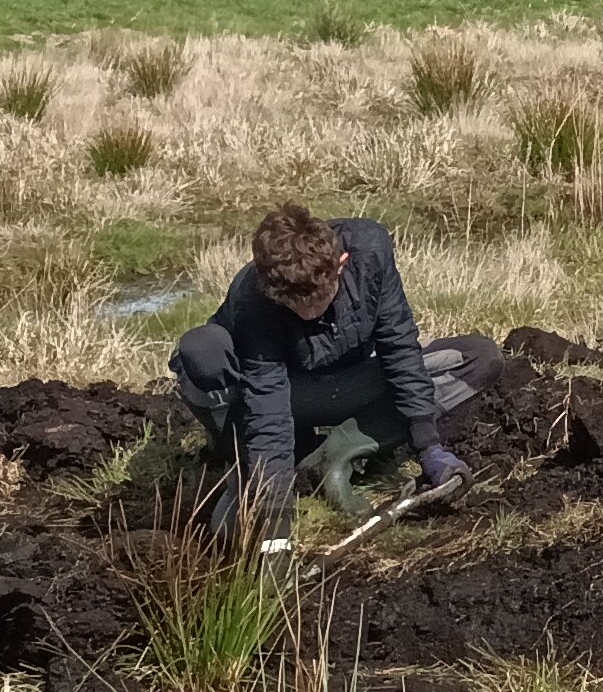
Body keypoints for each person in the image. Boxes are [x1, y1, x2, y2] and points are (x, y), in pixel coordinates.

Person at [172, 205, 488, 537]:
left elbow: (399, 345)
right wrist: (276, 515)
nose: (308, 314)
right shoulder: (254, 298)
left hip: (343, 383)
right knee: (201, 349)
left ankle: (339, 450)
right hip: (279, 397)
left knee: (478, 357)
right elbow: (268, 409)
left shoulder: (371, 253)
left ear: (341, 265)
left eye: (318, 301)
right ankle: (266, 460)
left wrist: (428, 446)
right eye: (295, 305)